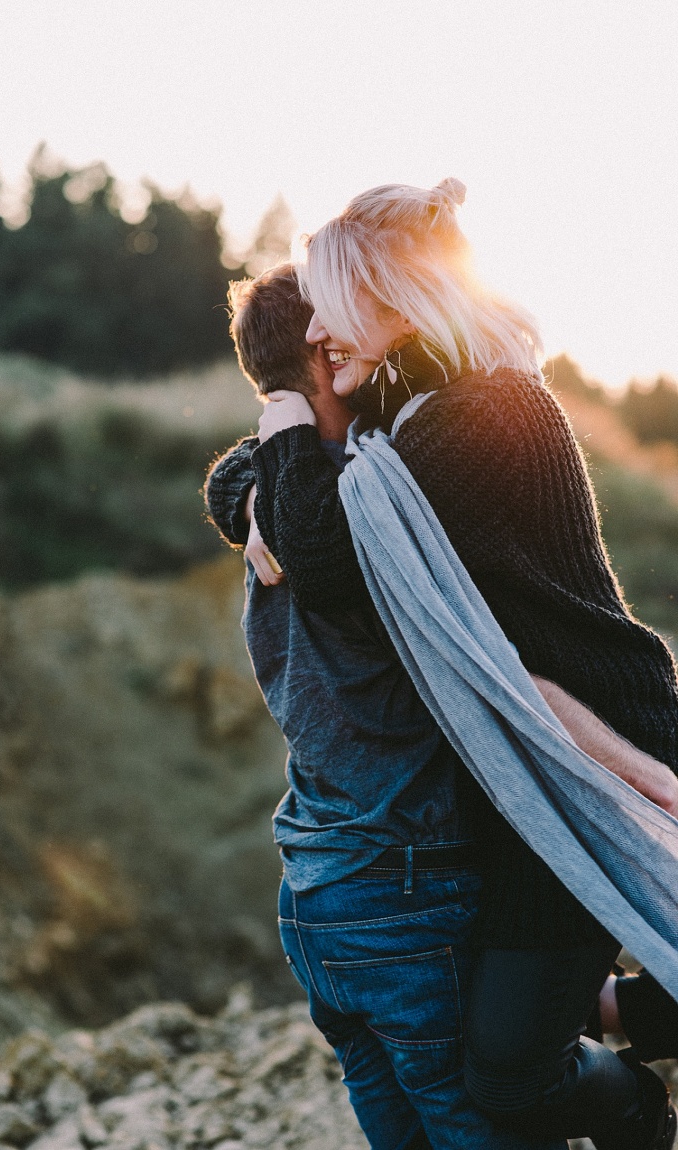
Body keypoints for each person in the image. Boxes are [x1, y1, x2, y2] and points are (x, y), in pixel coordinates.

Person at [206, 182, 678, 1150]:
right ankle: (604, 1008)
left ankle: (636, 1104)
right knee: (507, 1032)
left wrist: (289, 406)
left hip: (580, 740)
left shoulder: (483, 413)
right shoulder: (410, 396)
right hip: (503, 754)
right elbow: (243, 481)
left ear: (387, 299)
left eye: (337, 305)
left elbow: (327, 554)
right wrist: (278, 439)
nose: (324, 328)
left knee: (506, 1078)